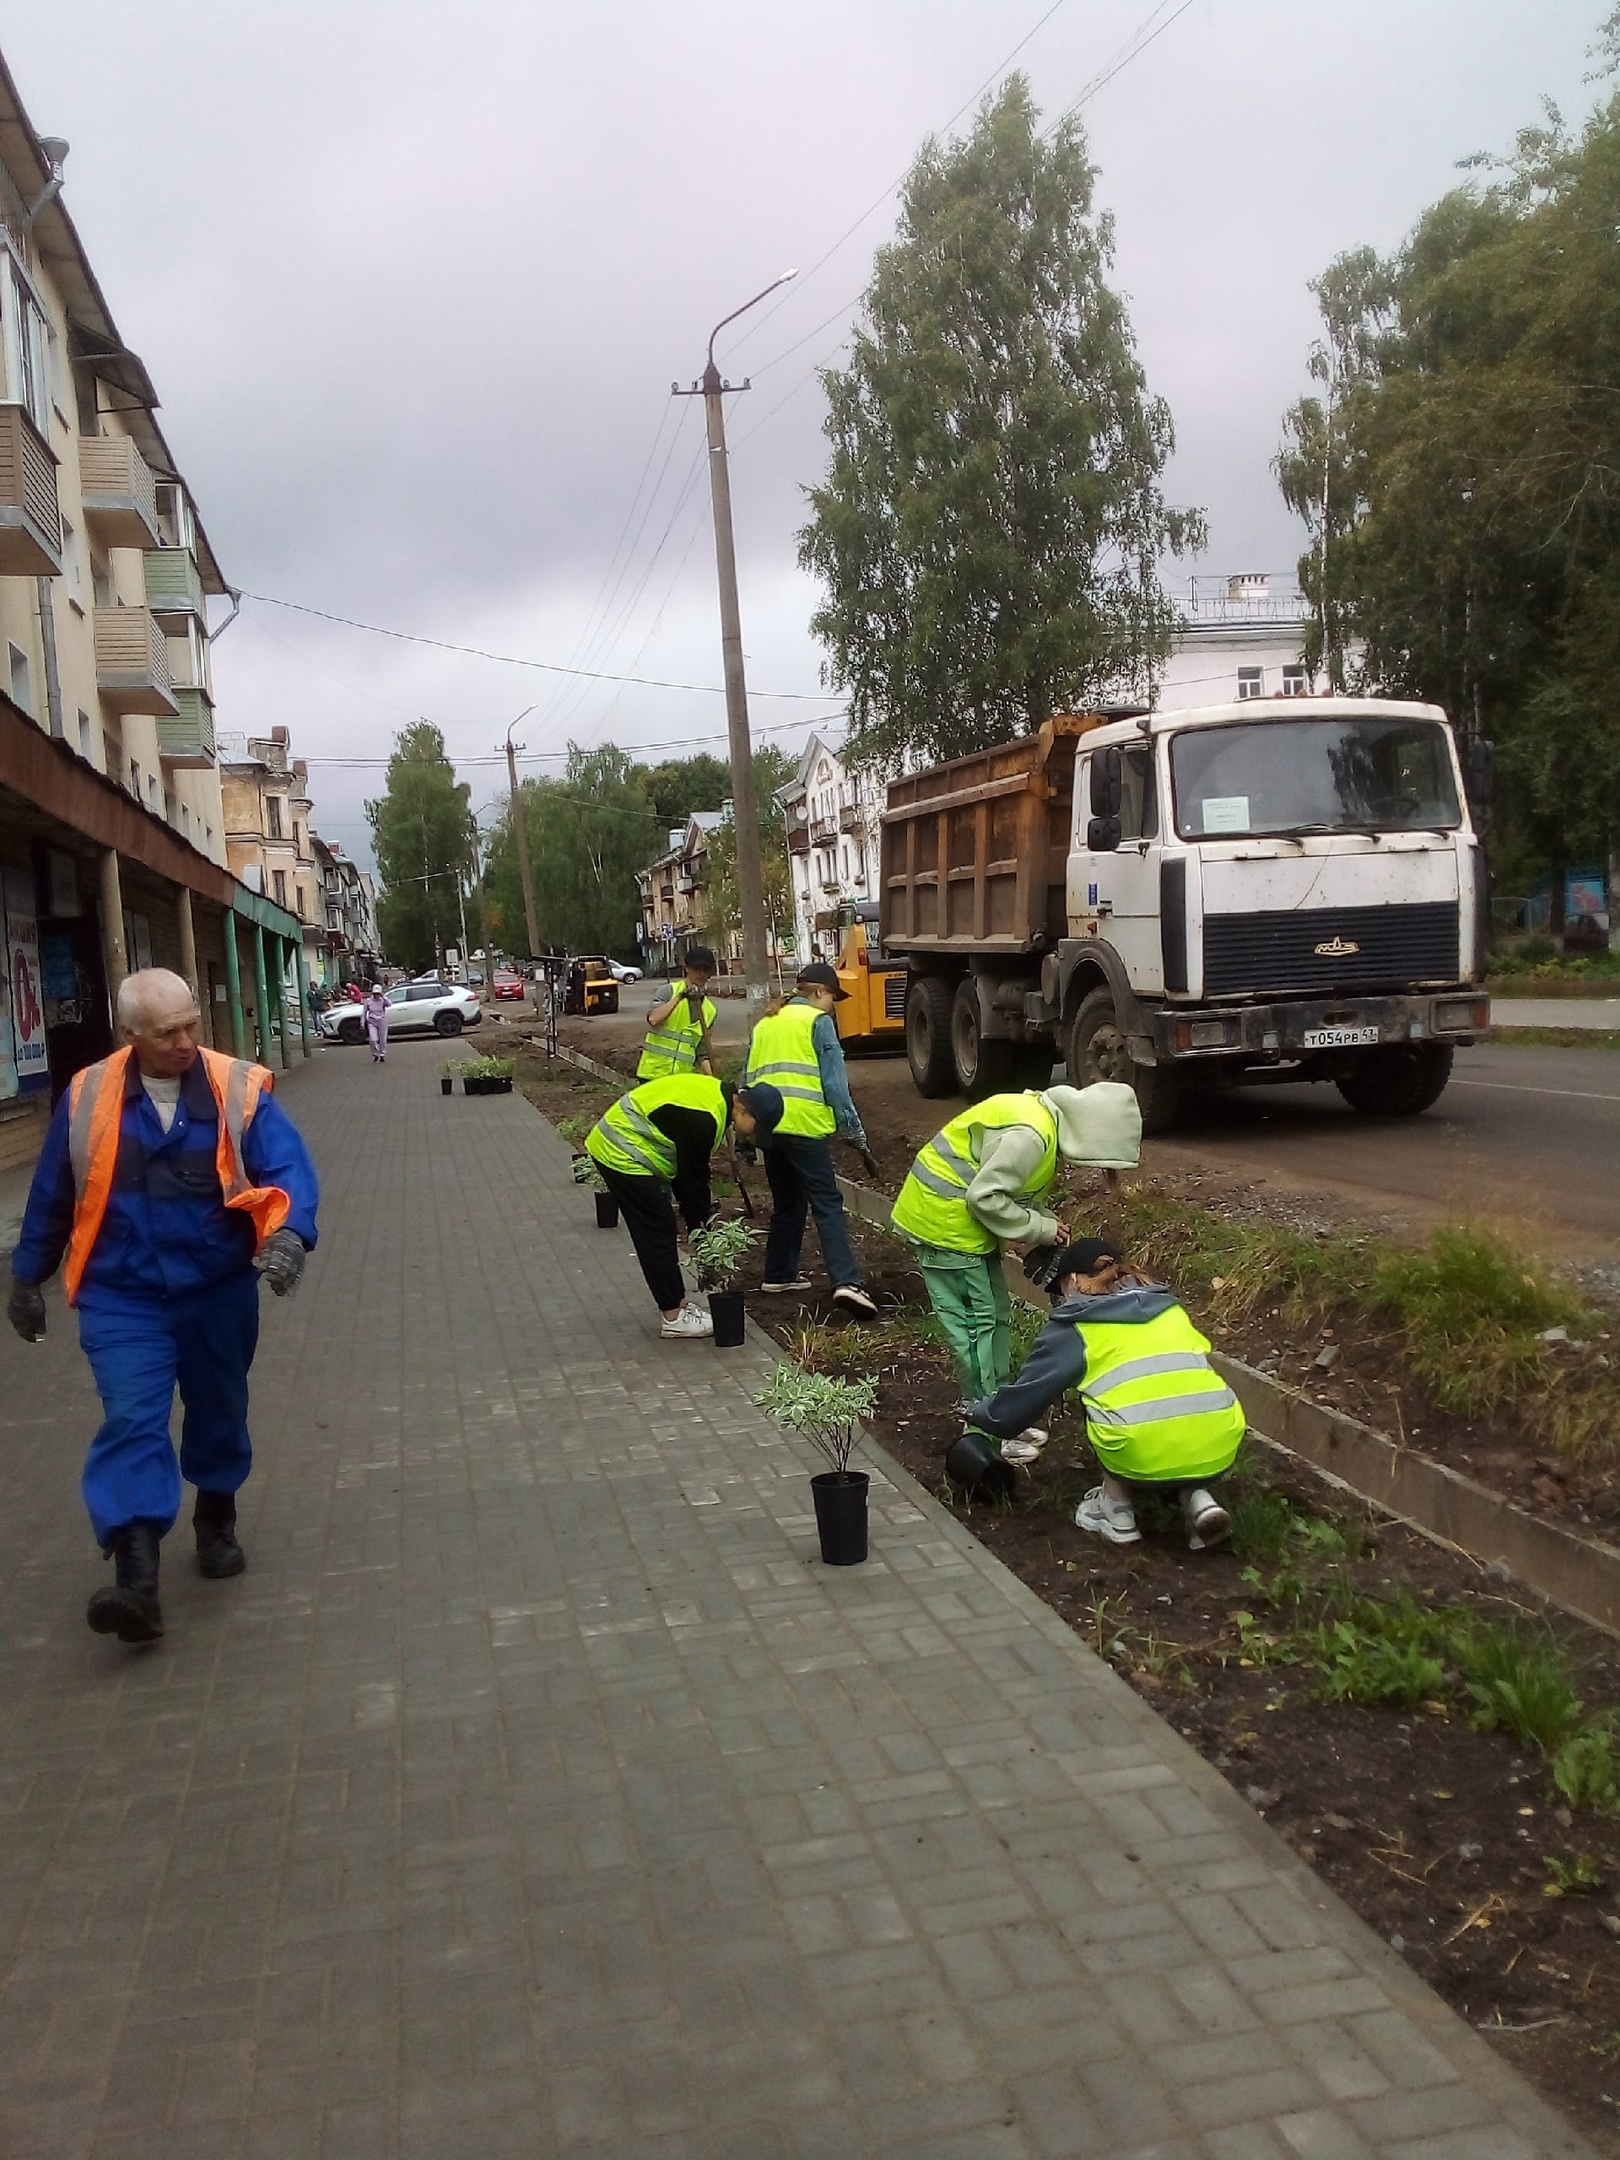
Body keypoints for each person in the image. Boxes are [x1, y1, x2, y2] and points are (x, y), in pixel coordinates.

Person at [5, 967, 320, 1643]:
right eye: (168, 1032)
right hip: (123, 1296)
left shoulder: (237, 1086)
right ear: (130, 1035)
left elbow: (286, 1166)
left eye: (191, 1027)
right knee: (132, 1419)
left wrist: (290, 1231)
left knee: (218, 1408)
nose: (184, 1042)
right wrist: (27, 1276)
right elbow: (54, 1191)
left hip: (216, 1288)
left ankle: (216, 1515)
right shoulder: (88, 1096)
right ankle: (136, 1577)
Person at [890, 1081, 1142, 1460]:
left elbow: (1012, 1193)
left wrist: (1044, 1222)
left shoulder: (1041, 1121)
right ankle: (983, 1431)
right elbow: (985, 1196)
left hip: (965, 1229)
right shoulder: (1031, 1135)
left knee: (995, 1317)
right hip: (945, 1226)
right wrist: (1039, 1228)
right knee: (976, 1329)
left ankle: (1000, 1415)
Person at [964, 1238, 1243, 1550]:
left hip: (1139, 1446)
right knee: (1170, 1397)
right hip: (1222, 1438)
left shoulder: (1076, 1327)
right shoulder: (1169, 1309)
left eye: (1060, 1291)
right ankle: (1199, 1499)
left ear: (1071, 1280)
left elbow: (1019, 1407)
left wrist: (978, 1412)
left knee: (1105, 1397)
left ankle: (1115, 1510)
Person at [585, 1073, 783, 1337]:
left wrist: (698, 1231)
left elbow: (686, 1175)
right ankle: (673, 1317)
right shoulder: (706, 1117)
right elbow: (693, 1184)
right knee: (656, 1229)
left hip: (622, 1144)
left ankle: (678, 1306)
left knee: (661, 1226)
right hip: (620, 1150)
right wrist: (702, 1238)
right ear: (745, 1110)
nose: (756, 1136)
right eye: (759, 1128)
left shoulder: (715, 1099)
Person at [742, 962, 877, 1315]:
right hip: (804, 1124)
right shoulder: (817, 1023)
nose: (833, 1004)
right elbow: (835, 1085)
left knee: (787, 1202)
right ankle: (847, 1282)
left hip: (769, 1128)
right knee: (828, 1203)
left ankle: (778, 1274)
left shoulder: (765, 1023)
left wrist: (747, 1136)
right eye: (833, 997)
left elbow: (746, 1079)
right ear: (819, 992)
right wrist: (854, 1132)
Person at [638, 945, 718, 1079]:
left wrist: (714, 1080)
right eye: (697, 969)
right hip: (653, 1074)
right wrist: (680, 997)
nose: (701, 974)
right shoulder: (669, 991)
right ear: (687, 968)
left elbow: (701, 1052)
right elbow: (654, 1019)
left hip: (680, 1079)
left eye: (706, 970)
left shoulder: (710, 1010)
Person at [363, 982, 389, 1062]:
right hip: (372, 1021)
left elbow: (389, 1004)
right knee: (373, 1039)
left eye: (378, 994)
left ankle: (382, 1054)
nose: (376, 995)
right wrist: (362, 1022)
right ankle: (375, 1054)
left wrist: (383, 997)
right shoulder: (368, 1001)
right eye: (375, 994)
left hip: (382, 1020)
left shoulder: (382, 1000)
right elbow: (364, 1012)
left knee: (382, 1039)